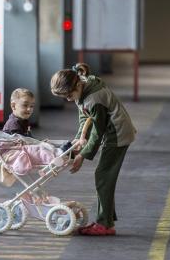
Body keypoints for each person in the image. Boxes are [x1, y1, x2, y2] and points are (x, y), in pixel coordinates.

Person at [50, 63, 136, 236]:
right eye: (64, 97)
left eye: (69, 95)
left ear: (77, 85)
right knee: (104, 177)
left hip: (117, 135)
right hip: (111, 131)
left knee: (104, 177)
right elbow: (85, 117)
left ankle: (105, 224)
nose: (68, 99)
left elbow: (98, 132)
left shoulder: (94, 99)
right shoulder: (83, 85)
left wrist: (82, 155)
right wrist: (80, 138)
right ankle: (106, 220)